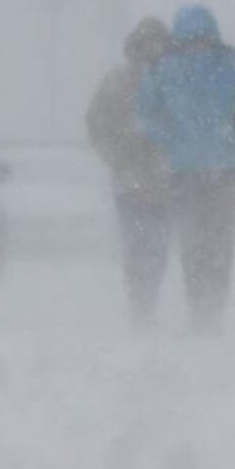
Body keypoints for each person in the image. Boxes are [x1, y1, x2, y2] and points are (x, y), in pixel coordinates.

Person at [136, 4, 235, 333]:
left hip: (199, 169)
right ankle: (207, 310)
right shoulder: (234, 65)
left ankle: (206, 311)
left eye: (201, 39)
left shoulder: (164, 69)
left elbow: (144, 115)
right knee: (208, 241)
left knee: (203, 241)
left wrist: (172, 138)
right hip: (211, 169)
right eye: (194, 38)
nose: (199, 45)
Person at [86, 17, 174, 328]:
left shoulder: (172, 81)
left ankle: (146, 303)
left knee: (158, 248)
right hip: (131, 179)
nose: (153, 49)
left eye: (158, 42)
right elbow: (96, 124)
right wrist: (115, 156)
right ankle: (141, 307)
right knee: (137, 248)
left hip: (161, 181)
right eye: (148, 43)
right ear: (135, 47)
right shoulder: (117, 82)